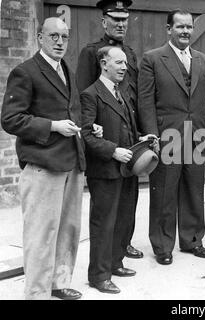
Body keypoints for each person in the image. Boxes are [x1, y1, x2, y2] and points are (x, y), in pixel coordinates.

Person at [1, 18, 85, 300]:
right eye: (53, 36)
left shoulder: (66, 70)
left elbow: (70, 110)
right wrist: (52, 126)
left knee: (67, 229)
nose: (60, 42)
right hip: (42, 165)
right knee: (40, 235)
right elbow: (10, 119)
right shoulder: (25, 72)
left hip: (70, 163)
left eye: (64, 36)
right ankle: (36, 293)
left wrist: (84, 126)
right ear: (39, 37)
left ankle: (58, 284)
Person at [138, 9, 205, 265]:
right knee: (164, 193)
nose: (185, 31)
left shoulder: (203, 59)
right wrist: (152, 135)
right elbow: (146, 101)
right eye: (180, 27)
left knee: (194, 189)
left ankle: (193, 240)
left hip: (196, 135)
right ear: (168, 29)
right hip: (166, 136)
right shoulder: (152, 59)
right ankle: (162, 245)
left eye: (189, 27)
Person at [80, 46, 157, 294]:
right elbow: (87, 135)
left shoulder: (121, 93)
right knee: (104, 224)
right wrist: (113, 150)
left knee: (122, 220)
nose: (124, 67)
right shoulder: (91, 94)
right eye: (119, 63)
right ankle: (99, 276)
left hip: (125, 171)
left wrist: (141, 138)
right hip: (104, 171)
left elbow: (126, 129)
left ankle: (115, 263)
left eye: (125, 63)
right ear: (104, 64)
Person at [76, 0, 143, 259]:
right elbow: (84, 98)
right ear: (104, 21)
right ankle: (106, 258)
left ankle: (122, 246)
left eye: (124, 19)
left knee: (128, 201)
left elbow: (134, 96)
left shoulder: (130, 54)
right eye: (115, 19)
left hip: (129, 138)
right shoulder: (92, 52)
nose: (120, 24)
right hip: (106, 141)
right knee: (106, 207)